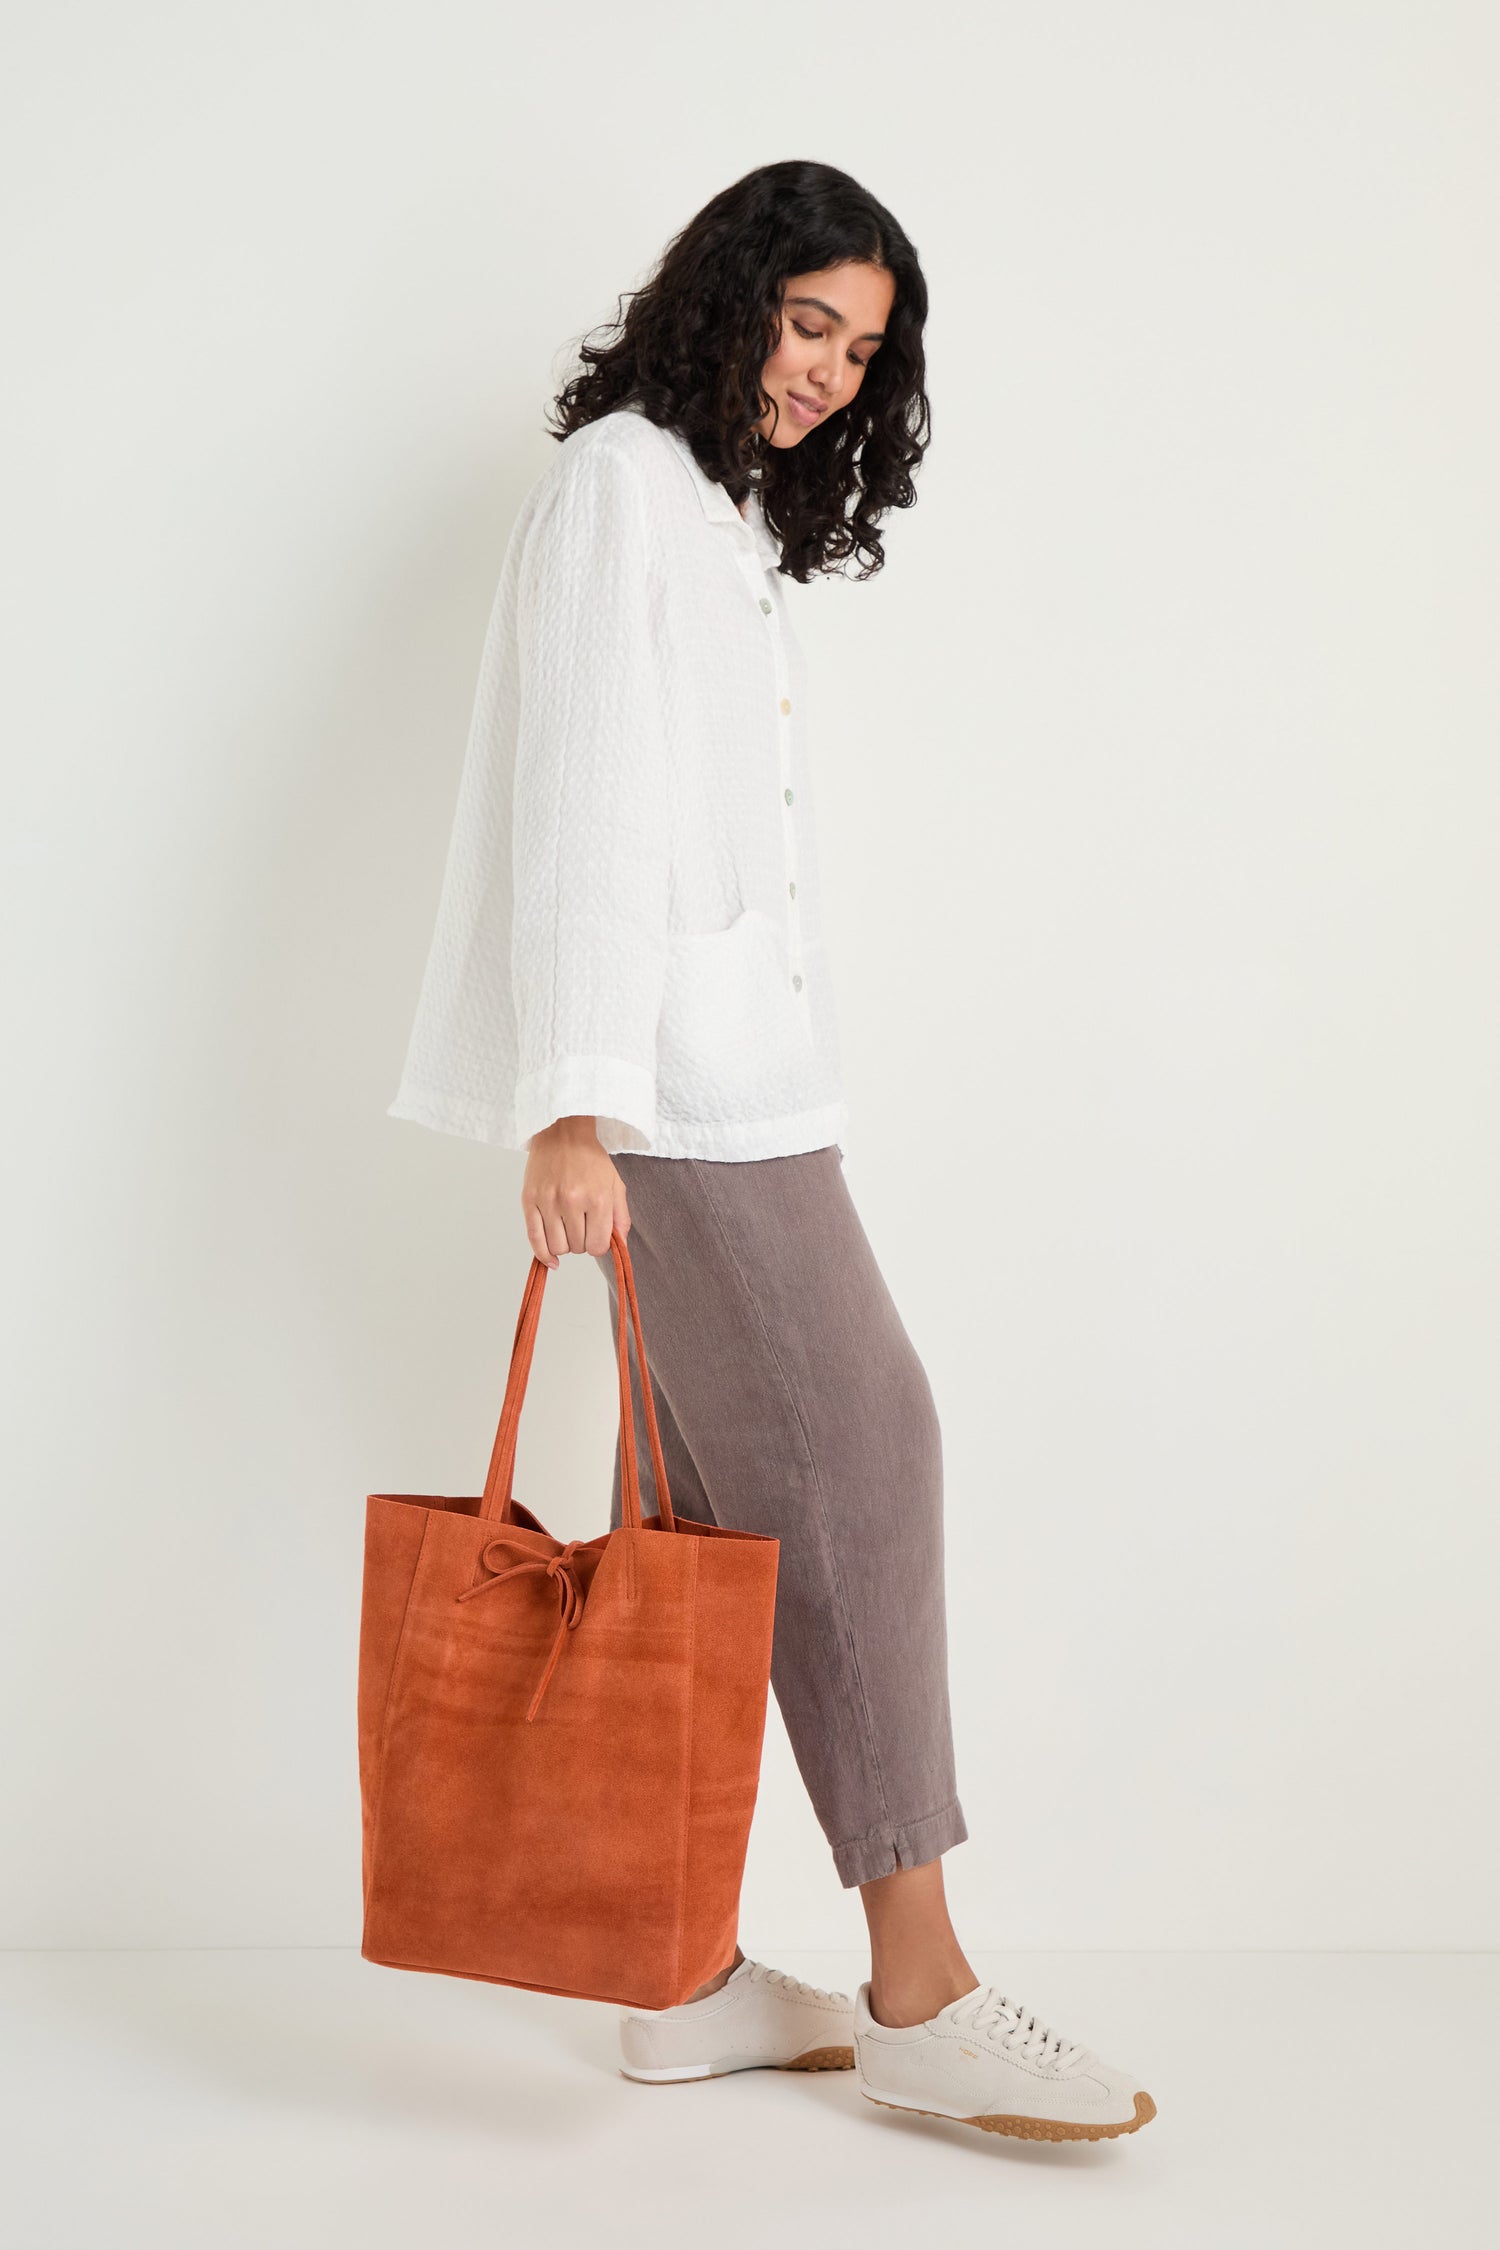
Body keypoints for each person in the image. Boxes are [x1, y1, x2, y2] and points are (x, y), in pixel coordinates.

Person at [389, 158, 1155, 2143]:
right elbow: (581, 802)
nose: (827, 372)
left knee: (704, 1524)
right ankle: (920, 1986)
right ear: (726, 293)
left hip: (736, 1074)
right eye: (809, 320)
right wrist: (571, 1097)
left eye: (862, 347)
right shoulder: (616, 491)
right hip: (672, 1090)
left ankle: (683, 1976)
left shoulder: (712, 515)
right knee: (864, 1443)